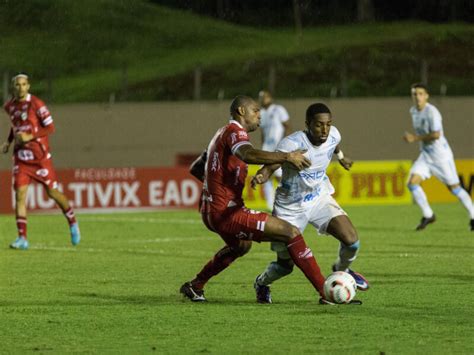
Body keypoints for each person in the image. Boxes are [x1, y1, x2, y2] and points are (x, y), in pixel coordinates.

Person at [180, 95, 343, 305]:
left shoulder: (221, 133)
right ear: (241, 112)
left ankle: (195, 286)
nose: (260, 115)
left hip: (212, 210)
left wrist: (214, 189)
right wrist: (286, 156)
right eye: (255, 111)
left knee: (241, 246)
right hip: (226, 212)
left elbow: (196, 168)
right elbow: (247, 154)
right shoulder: (234, 132)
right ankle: (326, 292)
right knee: (290, 232)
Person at [251, 103, 369, 304]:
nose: (324, 130)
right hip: (289, 209)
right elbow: (272, 165)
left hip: (318, 198)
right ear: (307, 124)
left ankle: (342, 270)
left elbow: (334, 144)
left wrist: (341, 157)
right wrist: (262, 175)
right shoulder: (291, 144)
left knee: (351, 241)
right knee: (285, 266)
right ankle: (261, 283)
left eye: (328, 124)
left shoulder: (333, 134)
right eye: (318, 125)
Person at [2, 73, 81, 250]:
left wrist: (31, 136)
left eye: (23, 84)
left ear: (28, 86)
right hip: (21, 159)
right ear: (13, 87)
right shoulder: (9, 106)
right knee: (20, 196)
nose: (20, 87)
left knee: (53, 193)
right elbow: (15, 125)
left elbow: (50, 127)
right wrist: (8, 142)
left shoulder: (37, 104)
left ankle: (72, 221)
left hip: (40, 159)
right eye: (17, 85)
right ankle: (22, 238)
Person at [403, 83, 473, 231]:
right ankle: (428, 215)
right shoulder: (413, 111)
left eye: (421, 94)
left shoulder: (432, 112)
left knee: (454, 188)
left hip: (441, 156)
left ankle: (473, 216)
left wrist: (414, 138)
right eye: (415, 94)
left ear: (426, 96)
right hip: (426, 156)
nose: (417, 97)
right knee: (412, 183)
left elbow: (436, 134)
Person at [258, 90, 291, 210]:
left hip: (278, 147)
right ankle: (271, 205)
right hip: (267, 148)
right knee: (263, 175)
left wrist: (286, 144)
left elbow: (287, 126)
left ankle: (289, 198)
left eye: (265, 97)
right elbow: (262, 132)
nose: (263, 99)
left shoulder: (279, 109)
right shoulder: (261, 113)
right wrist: (263, 147)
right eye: (261, 97)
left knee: (279, 176)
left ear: (270, 97)